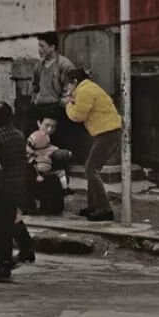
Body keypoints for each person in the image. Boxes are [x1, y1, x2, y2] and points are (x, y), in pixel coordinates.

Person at [0, 100, 36, 279]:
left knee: (0, 228)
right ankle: (26, 247)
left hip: (1, 187)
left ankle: (3, 264)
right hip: (18, 184)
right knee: (10, 218)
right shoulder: (18, 134)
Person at [64, 67, 122, 222]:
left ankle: (104, 209)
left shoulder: (85, 91)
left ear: (75, 82)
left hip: (107, 133)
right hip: (107, 132)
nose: (67, 89)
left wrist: (67, 105)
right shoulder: (88, 88)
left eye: (68, 85)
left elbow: (77, 115)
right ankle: (93, 206)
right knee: (91, 169)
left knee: (91, 169)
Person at [33, 31, 78, 153]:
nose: (39, 49)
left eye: (42, 46)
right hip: (40, 109)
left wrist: (61, 103)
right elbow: (35, 86)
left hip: (56, 110)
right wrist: (35, 99)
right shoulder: (39, 66)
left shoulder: (65, 65)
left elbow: (70, 89)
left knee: (57, 146)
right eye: (39, 45)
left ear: (52, 47)